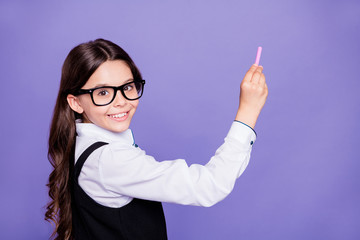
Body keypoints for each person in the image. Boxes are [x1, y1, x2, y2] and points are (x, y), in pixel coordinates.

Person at [45, 38, 268, 240]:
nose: (120, 100)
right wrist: (248, 111)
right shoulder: (110, 159)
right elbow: (209, 186)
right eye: (103, 92)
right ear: (75, 102)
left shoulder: (85, 143)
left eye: (127, 87)